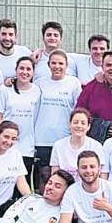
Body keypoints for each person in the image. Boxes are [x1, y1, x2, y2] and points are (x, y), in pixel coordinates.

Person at [33, 50, 82, 188]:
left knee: (64, 176)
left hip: (64, 137)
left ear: (66, 66)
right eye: (53, 63)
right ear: (48, 65)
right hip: (42, 138)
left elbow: (78, 109)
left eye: (61, 63)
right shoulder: (39, 83)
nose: (57, 66)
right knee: (45, 176)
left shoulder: (74, 83)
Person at [0, 57, 41, 180]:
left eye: (28, 69)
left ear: (33, 72)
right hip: (6, 145)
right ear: (16, 70)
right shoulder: (4, 90)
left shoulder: (37, 91)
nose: (25, 72)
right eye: (21, 68)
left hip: (26, 148)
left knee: (22, 184)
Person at [50, 108, 106, 183]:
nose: (79, 126)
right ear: (69, 125)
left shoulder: (96, 146)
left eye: (83, 123)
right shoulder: (58, 146)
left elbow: (100, 175)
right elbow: (55, 175)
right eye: (75, 122)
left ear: (88, 126)